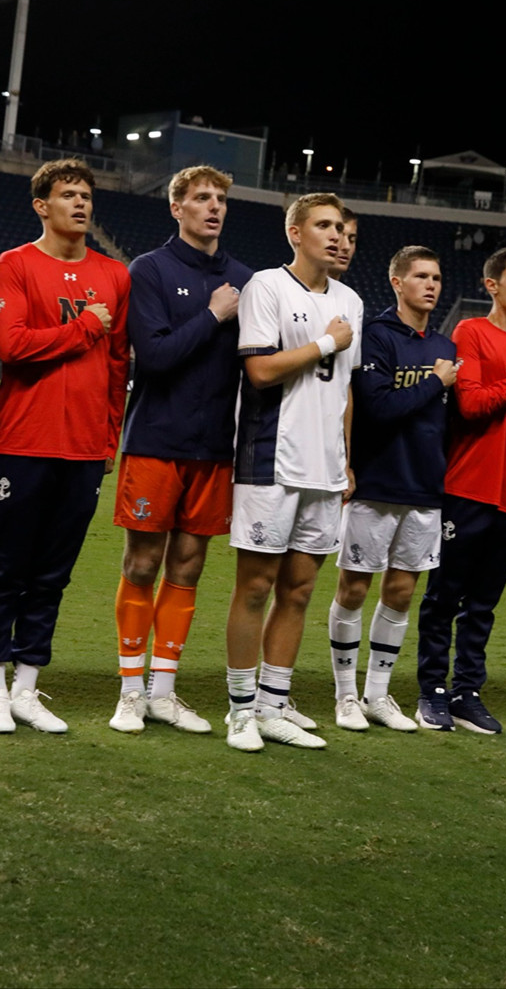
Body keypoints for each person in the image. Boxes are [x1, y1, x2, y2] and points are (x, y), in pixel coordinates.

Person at [0, 158, 129, 735]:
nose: (81, 203)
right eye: (68, 195)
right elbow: (11, 346)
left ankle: (27, 687)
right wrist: (85, 325)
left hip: (85, 449)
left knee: (53, 573)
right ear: (43, 206)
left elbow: (117, 367)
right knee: (7, 566)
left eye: (86, 195)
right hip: (23, 441)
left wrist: (109, 437)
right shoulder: (14, 264)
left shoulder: (115, 274)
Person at [108, 165, 251, 736]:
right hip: (156, 440)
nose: (213, 206)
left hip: (215, 447)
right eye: (200, 198)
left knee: (188, 566)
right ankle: (128, 692)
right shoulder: (150, 269)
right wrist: (214, 315)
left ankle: (163, 691)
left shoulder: (245, 277)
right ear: (177, 208)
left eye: (220, 198)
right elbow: (158, 357)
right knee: (142, 563)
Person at [223, 192, 361, 751]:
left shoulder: (350, 300)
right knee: (255, 587)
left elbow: (345, 390)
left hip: (325, 470)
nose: (337, 237)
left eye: (344, 230)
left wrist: (346, 460)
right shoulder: (267, 286)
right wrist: (326, 341)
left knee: (299, 591)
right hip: (270, 461)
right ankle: (239, 710)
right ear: (295, 233)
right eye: (324, 226)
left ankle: (274, 704)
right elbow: (259, 370)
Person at [414, 247, 506, 734]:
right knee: (443, 598)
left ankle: (467, 692)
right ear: (492, 285)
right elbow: (469, 404)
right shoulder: (471, 332)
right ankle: (431, 692)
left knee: (485, 604)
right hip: (467, 488)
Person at [327, 245, 455, 733]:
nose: (431, 285)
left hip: (425, 486)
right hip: (377, 480)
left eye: (437, 277)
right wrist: (435, 383)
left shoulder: (445, 345)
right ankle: (344, 696)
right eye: (421, 276)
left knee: (401, 591)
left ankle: (377, 696)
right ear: (397, 282)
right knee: (355, 587)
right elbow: (377, 409)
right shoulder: (375, 336)